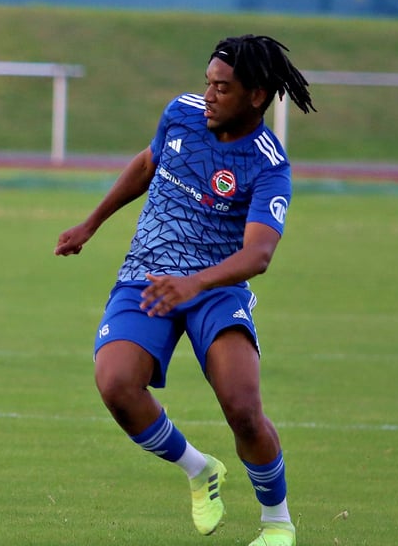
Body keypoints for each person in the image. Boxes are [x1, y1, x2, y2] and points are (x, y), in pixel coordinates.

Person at [55, 34, 315, 546]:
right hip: (147, 273)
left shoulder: (268, 164)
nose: (209, 95)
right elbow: (146, 165)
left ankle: (277, 523)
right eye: (208, 83)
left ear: (256, 95)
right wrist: (91, 223)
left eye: (223, 87)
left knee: (243, 408)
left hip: (215, 288)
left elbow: (258, 255)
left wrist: (194, 282)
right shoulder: (181, 113)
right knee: (116, 384)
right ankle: (199, 469)